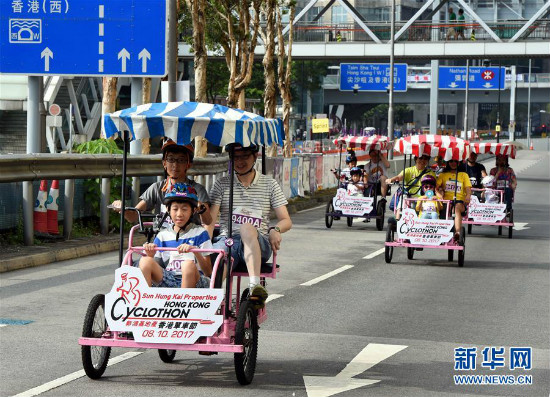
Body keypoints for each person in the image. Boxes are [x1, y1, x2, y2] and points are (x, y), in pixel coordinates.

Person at [209, 143, 292, 309]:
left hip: (258, 243)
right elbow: (210, 221)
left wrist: (275, 230)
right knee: (219, 258)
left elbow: (286, 220)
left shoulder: (270, 184)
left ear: (255, 156)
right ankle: (212, 301)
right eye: (236, 157)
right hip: (229, 240)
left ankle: (255, 287)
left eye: (245, 156)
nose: (240, 161)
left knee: (247, 227)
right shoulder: (221, 184)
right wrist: (203, 247)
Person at [111, 138, 213, 234]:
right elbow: (133, 216)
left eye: (181, 160)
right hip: (162, 242)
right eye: (171, 159)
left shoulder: (197, 189)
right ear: (164, 163)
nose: (175, 165)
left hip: (188, 242)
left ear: (188, 164)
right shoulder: (157, 188)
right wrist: (122, 208)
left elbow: (208, 221)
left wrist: (201, 208)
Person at [138, 183, 213, 288]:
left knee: (187, 265)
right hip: (170, 279)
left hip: (197, 281)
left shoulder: (200, 233)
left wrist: (195, 251)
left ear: (193, 211)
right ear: (168, 210)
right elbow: (158, 267)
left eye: (184, 209)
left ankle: (184, 302)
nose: (179, 214)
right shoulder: (162, 235)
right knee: (145, 261)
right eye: (175, 209)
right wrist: (150, 255)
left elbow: (208, 271)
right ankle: (145, 302)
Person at [386, 155, 434, 219]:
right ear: (416, 159)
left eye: (425, 159)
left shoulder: (430, 173)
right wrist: (391, 179)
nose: (423, 160)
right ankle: (398, 220)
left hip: (424, 197)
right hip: (409, 196)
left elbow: (434, 186)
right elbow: (399, 177)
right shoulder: (409, 170)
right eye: (420, 158)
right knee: (403, 199)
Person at [436, 159, 472, 241]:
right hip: (445, 201)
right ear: (448, 163)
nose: (453, 163)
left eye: (455, 161)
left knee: (456, 208)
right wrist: (438, 193)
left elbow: (468, 188)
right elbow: (436, 187)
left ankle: (458, 232)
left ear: (458, 163)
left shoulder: (463, 175)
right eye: (451, 161)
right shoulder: (443, 175)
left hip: (459, 202)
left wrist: (468, 195)